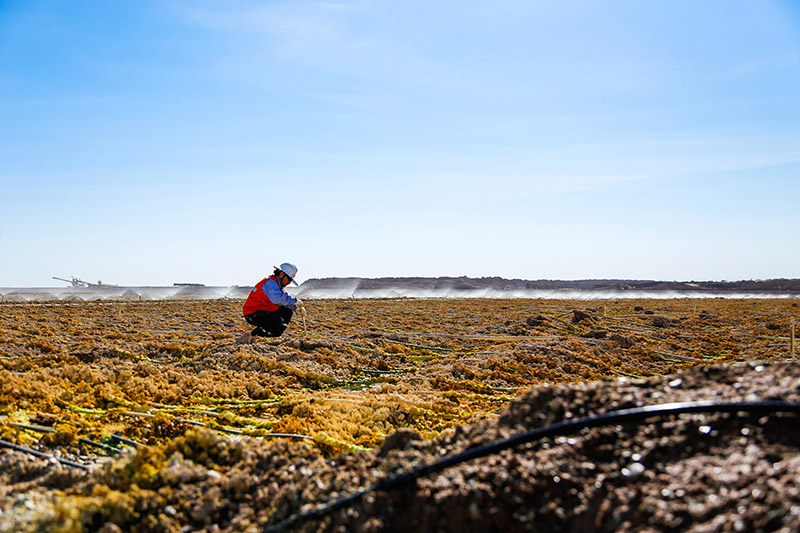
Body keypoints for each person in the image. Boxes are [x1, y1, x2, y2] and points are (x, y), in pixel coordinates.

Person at [237, 262, 301, 343]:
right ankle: (252, 335)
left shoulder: (278, 286)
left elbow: (285, 301)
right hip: (252, 313)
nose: (289, 282)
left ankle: (273, 336)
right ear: (281, 274)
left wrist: (296, 308)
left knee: (287, 312)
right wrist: (295, 301)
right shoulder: (270, 283)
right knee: (276, 321)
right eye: (289, 279)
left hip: (263, 311)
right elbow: (278, 299)